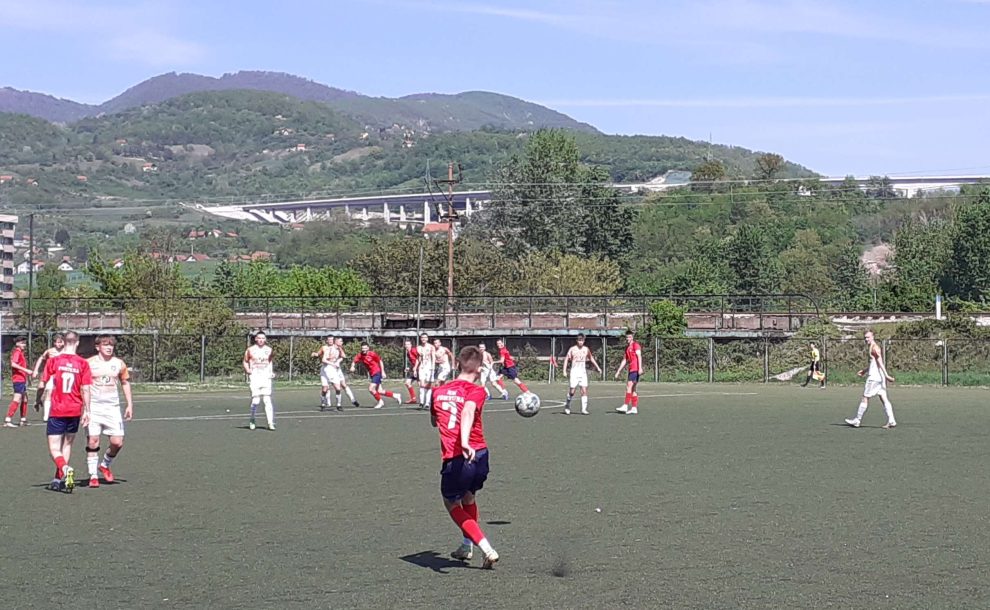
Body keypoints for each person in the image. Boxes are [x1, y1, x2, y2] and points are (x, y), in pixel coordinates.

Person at [430, 345, 499, 569]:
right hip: (480, 454)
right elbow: (468, 410)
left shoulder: (437, 392)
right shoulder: (478, 391)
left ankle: (486, 548)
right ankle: (466, 545)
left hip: (457, 456)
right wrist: (468, 440)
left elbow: (435, 421)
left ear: (457, 364)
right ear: (479, 368)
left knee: (450, 501)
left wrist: (463, 441)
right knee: (468, 497)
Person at [41, 331, 92, 492]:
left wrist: (37, 399)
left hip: (57, 410)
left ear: (63, 342)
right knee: (67, 444)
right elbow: (86, 389)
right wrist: (87, 410)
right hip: (75, 410)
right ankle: (58, 479)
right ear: (77, 343)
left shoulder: (54, 361)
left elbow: (42, 383)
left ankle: (65, 469)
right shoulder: (83, 363)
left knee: (54, 448)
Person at [85, 335, 133, 487]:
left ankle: (104, 465)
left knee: (117, 442)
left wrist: (129, 404)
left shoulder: (119, 363)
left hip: (112, 408)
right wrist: (84, 408)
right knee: (93, 440)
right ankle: (93, 476)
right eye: (105, 345)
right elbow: (82, 385)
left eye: (111, 345)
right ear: (97, 347)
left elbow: (125, 382)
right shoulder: (88, 363)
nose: (109, 347)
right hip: (94, 407)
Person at [845, 330, 897, 429]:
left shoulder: (875, 348)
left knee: (865, 397)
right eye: (865, 337)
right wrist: (865, 370)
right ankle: (892, 420)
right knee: (884, 398)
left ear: (873, 337)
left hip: (874, 378)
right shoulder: (872, 347)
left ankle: (857, 420)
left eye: (868, 337)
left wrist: (886, 375)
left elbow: (880, 362)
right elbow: (874, 363)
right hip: (879, 377)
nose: (866, 339)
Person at [350, 342, 401, 409]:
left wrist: (383, 372)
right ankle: (395, 395)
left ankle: (380, 402)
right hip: (372, 374)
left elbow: (380, 361)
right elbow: (354, 361)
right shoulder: (360, 355)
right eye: (362, 348)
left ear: (368, 348)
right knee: (379, 391)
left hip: (377, 372)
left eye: (365, 348)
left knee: (371, 389)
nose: (364, 350)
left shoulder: (372, 354)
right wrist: (352, 366)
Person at [562, 334, 602, 415]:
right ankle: (567, 405)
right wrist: (564, 371)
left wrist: (598, 367)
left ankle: (584, 409)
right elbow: (566, 359)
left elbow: (591, 358)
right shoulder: (572, 349)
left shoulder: (586, 349)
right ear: (577, 341)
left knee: (584, 390)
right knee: (572, 391)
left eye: (582, 340)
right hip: (574, 372)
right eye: (579, 340)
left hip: (583, 372)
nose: (581, 342)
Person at [243, 331, 276, 430]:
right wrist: (248, 370)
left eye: (263, 338)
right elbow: (245, 361)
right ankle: (252, 418)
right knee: (256, 401)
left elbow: (270, 361)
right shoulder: (250, 350)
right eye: (259, 338)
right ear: (256, 339)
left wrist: (271, 372)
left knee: (267, 400)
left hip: (266, 377)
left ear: (265, 339)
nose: (261, 340)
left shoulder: (269, 350)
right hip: (255, 377)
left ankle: (270, 423)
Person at [32, 333, 65, 422]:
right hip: (49, 373)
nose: (58, 344)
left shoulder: (66, 351)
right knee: (42, 387)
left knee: (52, 393)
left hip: (60, 375)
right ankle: (38, 401)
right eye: (57, 342)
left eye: (60, 342)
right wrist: (35, 370)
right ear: (54, 343)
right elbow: (41, 359)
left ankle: (48, 415)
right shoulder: (50, 351)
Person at [5, 336, 33, 427]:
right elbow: (13, 364)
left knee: (25, 399)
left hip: (22, 379)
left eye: (24, 343)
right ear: (17, 344)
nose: (24, 345)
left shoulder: (21, 352)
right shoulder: (17, 352)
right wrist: (26, 370)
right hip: (18, 379)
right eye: (22, 343)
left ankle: (23, 420)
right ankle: (8, 420)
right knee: (17, 399)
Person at [614, 331, 643, 415]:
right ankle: (634, 408)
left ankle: (625, 405)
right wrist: (618, 371)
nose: (628, 339)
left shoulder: (635, 345)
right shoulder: (627, 348)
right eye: (627, 337)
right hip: (631, 369)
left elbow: (639, 356)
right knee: (633, 389)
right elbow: (624, 360)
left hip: (635, 369)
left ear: (632, 337)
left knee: (629, 386)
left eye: (629, 337)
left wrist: (640, 368)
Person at [334, 337, 361, 408]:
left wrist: (338, 359)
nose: (342, 342)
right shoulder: (330, 348)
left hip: (337, 370)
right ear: (336, 341)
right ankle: (327, 403)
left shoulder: (339, 348)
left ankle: (353, 400)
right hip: (330, 370)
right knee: (329, 387)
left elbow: (344, 356)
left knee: (343, 385)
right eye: (340, 341)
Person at [416, 333, 436, 409]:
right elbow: (418, 358)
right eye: (422, 337)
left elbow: (433, 357)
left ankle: (427, 403)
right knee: (422, 384)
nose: (423, 339)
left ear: (427, 338)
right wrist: (416, 368)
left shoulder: (431, 347)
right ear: (420, 339)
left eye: (425, 337)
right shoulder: (418, 348)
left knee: (428, 385)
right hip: (422, 367)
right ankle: (421, 402)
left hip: (429, 367)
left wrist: (433, 367)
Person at [402, 338, 420, 404]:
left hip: (419, 369)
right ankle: (413, 399)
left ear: (411, 345)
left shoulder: (414, 350)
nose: (407, 346)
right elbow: (413, 362)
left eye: (408, 344)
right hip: (414, 369)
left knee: (421, 385)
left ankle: (431, 397)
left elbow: (418, 359)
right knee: (407, 383)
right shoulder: (408, 353)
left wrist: (415, 368)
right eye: (406, 344)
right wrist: (409, 368)